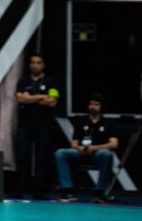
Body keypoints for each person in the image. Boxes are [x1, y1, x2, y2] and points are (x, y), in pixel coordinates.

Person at [55, 93, 118, 204]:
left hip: (98, 153)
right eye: (91, 104)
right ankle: (67, 191)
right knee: (61, 153)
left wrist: (94, 148)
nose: (92, 107)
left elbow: (114, 144)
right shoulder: (81, 121)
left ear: (101, 107)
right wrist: (79, 148)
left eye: (96, 104)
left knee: (106, 154)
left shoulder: (108, 122)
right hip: (81, 153)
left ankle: (99, 192)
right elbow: (73, 143)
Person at [14, 54, 60, 200]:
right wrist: (41, 97)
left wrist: (30, 98)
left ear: (43, 65)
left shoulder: (51, 82)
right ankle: (20, 189)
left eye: (38, 63)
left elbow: (53, 102)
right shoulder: (23, 81)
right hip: (25, 125)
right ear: (29, 65)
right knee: (22, 157)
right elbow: (20, 99)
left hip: (43, 126)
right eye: (33, 62)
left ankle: (39, 190)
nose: (35, 65)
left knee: (42, 159)